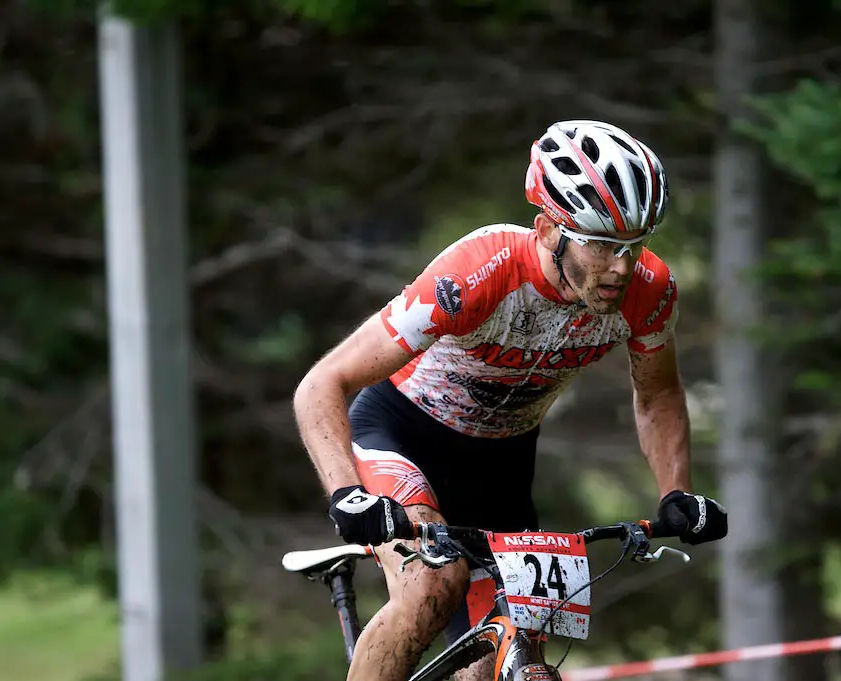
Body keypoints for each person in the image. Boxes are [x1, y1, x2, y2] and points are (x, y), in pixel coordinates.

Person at [293, 119, 728, 681]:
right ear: (549, 230)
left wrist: (677, 492)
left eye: (633, 245)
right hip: (401, 435)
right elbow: (322, 384)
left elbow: (659, 393)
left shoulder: (650, 292)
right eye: (601, 243)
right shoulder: (480, 272)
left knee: (521, 658)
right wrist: (345, 494)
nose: (621, 267)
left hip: (502, 467)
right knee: (433, 584)